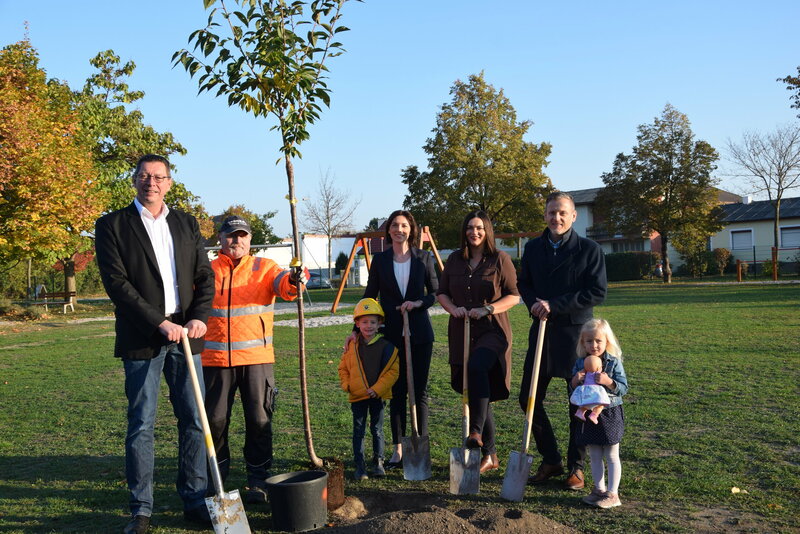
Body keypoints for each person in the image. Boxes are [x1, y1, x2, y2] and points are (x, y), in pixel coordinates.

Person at [94, 154, 215, 534]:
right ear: (134, 180)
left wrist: (198, 316)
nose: (152, 182)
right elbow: (117, 284)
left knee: (195, 421)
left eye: (159, 177)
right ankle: (141, 510)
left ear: (169, 183)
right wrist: (158, 322)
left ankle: (195, 500)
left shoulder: (185, 223)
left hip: (186, 336)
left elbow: (204, 275)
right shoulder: (113, 225)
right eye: (145, 176)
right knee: (142, 424)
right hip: (142, 336)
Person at [201, 215, 304, 504]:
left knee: (259, 420)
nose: (237, 240)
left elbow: (286, 286)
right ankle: (216, 479)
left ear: (249, 239)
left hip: (257, 359)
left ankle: (258, 479)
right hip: (214, 360)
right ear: (220, 239)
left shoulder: (265, 267)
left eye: (242, 235)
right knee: (215, 421)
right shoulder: (207, 271)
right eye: (231, 235)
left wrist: (297, 279)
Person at [517, 191, 607, 490]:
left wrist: (555, 304)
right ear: (545, 214)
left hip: (575, 334)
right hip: (541, 329)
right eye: (552, 212)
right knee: (528, 398)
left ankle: (575, 467)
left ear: (573, 216)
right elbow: (524, 284)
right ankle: (551, 458)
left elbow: (596, 292)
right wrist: (533, 302)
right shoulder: (532, 249)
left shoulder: (589, 249)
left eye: (562, 213)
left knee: (577, 402)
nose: (556, 218)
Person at [437, 210, 520, 474]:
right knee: (476, 385)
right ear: (464, 231)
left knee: (477, 367)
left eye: (480, 228)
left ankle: (474, 431)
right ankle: (490, 454)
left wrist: (488, 309)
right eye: (471, 228)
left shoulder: (500, 259)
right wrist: (453, 309)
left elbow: (514, 296)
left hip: (492, 330)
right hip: (462, 330)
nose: (475, 232)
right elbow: (442, 293)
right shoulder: (453, 260)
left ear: (487, 232)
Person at [357, 210, 439, 469]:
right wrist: (355, 328)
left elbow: (436, 292)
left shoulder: (423, 258)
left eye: (404, 225)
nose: (399, 229)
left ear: (411, 230)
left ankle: (420, 445)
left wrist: (418, 303)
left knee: (420, 392)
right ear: (389, 230)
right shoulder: (380, 260)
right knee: (397, 391)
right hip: (392, 334)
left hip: (420, 334)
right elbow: (370, 296)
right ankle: (399, 449)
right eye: (394, 225)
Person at [338, 298, 400, 480]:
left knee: (377, 429)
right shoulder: (352, 345)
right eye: (364, 322)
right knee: (358, 430)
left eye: (373, 322)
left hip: (377, 397)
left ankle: (378, 462)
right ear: (357, 323)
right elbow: (343, 368)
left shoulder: (387, 347)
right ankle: (360, 466)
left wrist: (378, 389)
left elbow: (392, 373)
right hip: (357, 396)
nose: (368, 326)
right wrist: (347, 385)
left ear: (379, 323)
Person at [571, 319, 628, 509]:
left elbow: (623, 388)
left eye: (598, 341)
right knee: (594, 453)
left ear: (606, 341)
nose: (594, 345)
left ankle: (613, 494)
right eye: (589, 341)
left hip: (609, 413)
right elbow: (574, 391)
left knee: (611, 454)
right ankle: (599, 490)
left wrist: (608, 381)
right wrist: (574, 381)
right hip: (589, 415)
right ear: (583, 343)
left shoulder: (614, 362)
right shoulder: (580, 363)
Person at [570, 355, 610, 423]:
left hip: (585, 390)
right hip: (595, 392)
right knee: (601, 405)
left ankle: (580, 412)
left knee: (584, 405)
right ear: (599, 368)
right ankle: (594, 415)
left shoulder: (584, 372)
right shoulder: (598, 373)